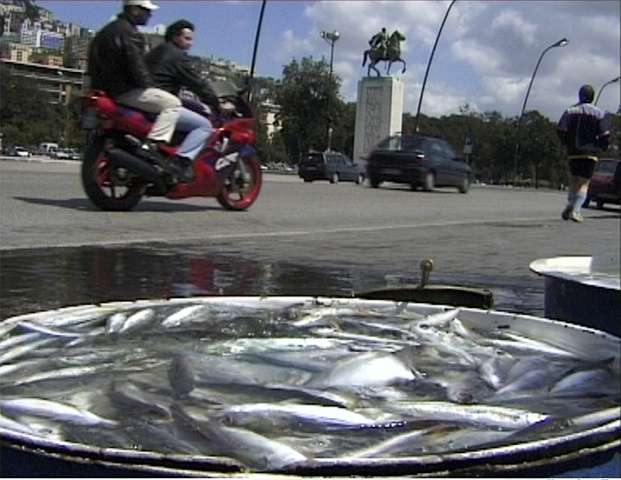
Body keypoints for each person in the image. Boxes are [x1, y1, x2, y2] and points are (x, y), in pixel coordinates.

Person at [87, 0, 189, 182]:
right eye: (146, 11)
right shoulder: (129, 32)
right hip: (124, 90)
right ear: (134, 10)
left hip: (104, 88)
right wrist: (149, 86)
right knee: (173, 103)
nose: (149, 15)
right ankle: (154, 145)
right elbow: (136, 65)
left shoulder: (106, 30)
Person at [145, 20, 232, 181]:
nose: (190, 44)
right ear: (175, 37)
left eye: (191, 39)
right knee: (204, 126)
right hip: (161, 106)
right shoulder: (177, 56)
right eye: (187, 38)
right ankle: (180, 162)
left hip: (148, 100)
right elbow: (196, 83)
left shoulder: (158, 51)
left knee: (192, 108)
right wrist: (217, 103)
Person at [557, 84, 612, 223]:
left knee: (574, 180)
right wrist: (602, 146)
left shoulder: (570, 111)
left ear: (579, 95)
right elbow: (605, 134)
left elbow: (561, 129)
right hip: (590, 153)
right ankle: (575, 210)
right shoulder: (600, 113)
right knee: (584, 182)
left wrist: (566, 142)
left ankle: (570, 203)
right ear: (592, 97)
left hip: (573, 152)